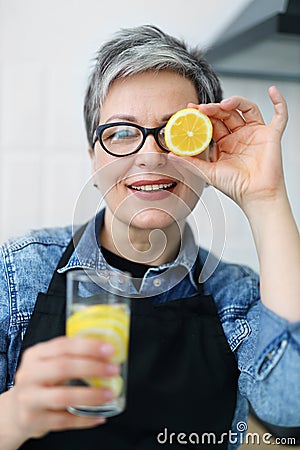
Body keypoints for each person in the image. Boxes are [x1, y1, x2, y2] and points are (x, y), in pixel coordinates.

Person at [0, 25, 299, 450]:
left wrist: (266, 198)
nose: (150, 155)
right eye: (121, 132)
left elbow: (289, 406)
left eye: (175, 129)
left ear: (209, 151)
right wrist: (13, 416)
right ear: (93, 158)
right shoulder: (15, 276)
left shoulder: (238, 295)